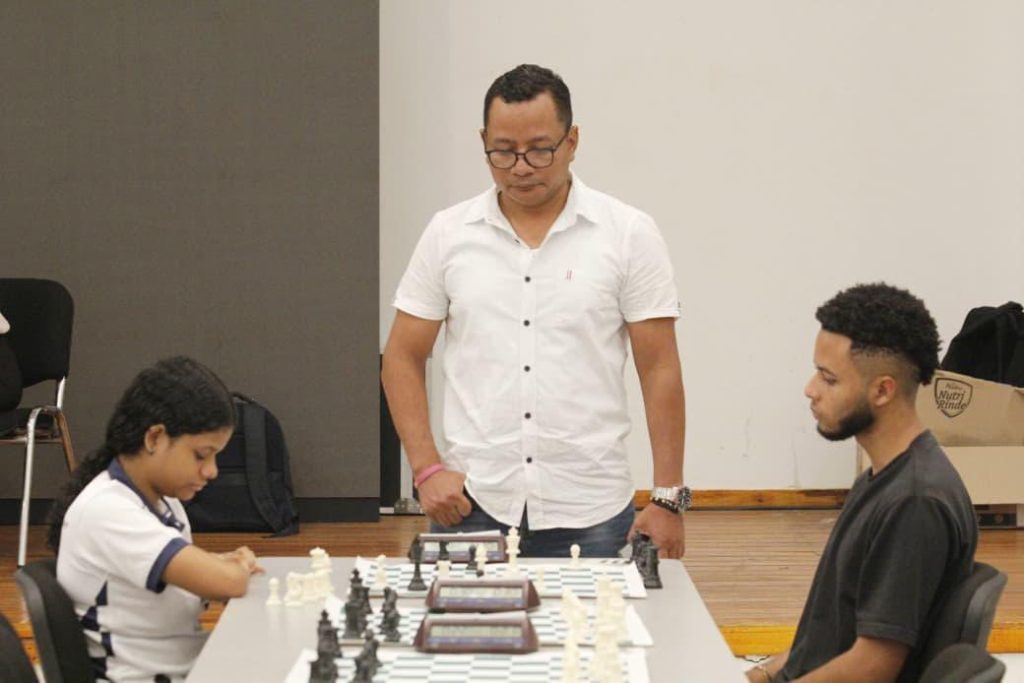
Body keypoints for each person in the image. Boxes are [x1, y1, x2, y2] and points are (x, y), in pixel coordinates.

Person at [382, 64, 688, 558]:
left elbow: (660, 369)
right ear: (484, 142)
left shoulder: (628, 234)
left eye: (540, 149)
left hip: (590, 504)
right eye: (502, 151)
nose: (521, 167)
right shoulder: (448, 234)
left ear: (573, 141)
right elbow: (401, 355)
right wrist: (426, 469)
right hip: (472, 501)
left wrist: (668, 498)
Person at [748, 284, 978, 683]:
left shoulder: (914, 502)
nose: (810, 389)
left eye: (828, 378)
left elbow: (871, 667)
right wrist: (761, 675)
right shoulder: (883, 478)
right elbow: (824, 640)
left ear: (882, 390)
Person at [48, 356, 262, 682]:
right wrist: (231, 570)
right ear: (154, 439)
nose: (212, 471)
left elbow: (174, 582)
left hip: (183, 667)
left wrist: (217, 565)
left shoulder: (163, 502)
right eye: (202, 455)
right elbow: (228, 582)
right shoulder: (108, 511)